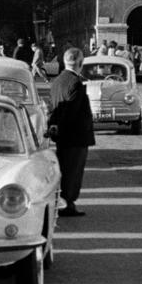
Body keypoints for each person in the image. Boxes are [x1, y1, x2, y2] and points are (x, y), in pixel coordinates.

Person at [46, 47, 95, 217]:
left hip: (64, 136)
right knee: (73, 171)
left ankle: (65, 201)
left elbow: (54, 107)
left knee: (66, 170)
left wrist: (54, 126)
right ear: (80, 63)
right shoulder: (76, 83)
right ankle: (67, 203)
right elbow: (71, 112)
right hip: (76, 136)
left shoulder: (58, 80)